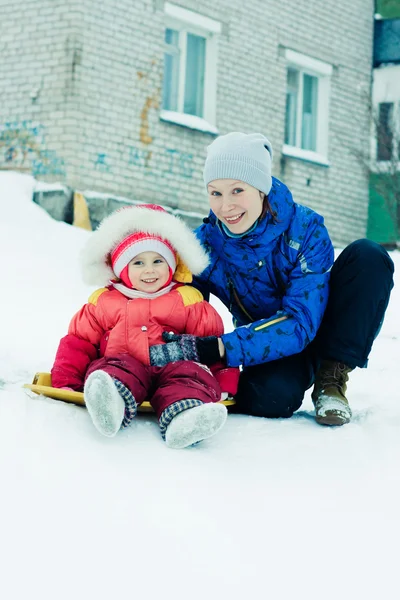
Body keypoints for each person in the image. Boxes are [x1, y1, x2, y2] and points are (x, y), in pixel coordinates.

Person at [149, 132, 395, 426]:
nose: (225, 206)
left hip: (324, 328)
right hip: (266, 340)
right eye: (215, 193)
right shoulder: (204, 245)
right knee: (268, 399)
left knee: (369, 256)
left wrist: (223, 348)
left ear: (261, 189)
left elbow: (301, 321)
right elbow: (182, 310)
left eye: (237, 191)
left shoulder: (305, 230)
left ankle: (332, 377)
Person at [51, 204, 239, 448]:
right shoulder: (105, 301)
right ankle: (111, 403)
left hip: (173, 367)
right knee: (112, 370)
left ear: (171, 265)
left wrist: (224, 381)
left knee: (189, 375)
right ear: (121, 269)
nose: (149, 270)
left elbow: (212, 342)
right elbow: (79, 341)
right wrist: (66, 379)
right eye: (137, 263)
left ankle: (186, 418)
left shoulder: (188, 299)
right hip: (124, 363)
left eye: (158, 261)